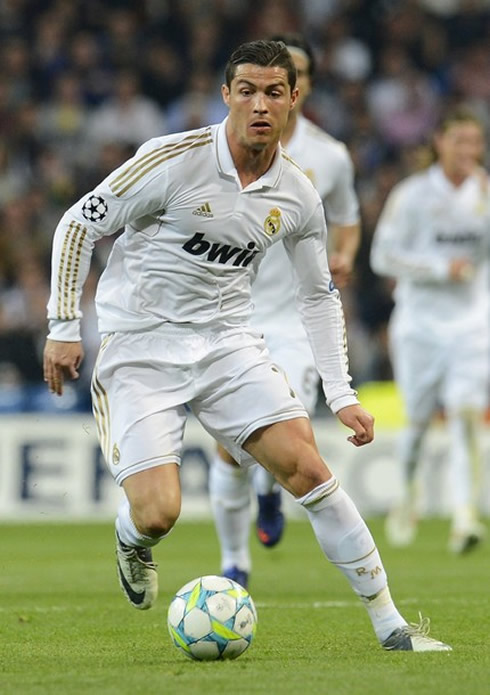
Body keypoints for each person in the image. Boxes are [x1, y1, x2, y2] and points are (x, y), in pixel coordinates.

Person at [43, 40, 450, 651]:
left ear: (293, 100)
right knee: (158, 514)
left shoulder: (298, 192)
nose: (261, 104)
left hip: (228, 344)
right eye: (248, 91)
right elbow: (78, 222)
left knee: (311, 469)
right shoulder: (171, 160)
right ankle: (132, 540)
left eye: (274, 92)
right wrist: (63, 326)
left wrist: (340, 394)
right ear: (227, 95)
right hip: (141, 348)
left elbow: (318, 295)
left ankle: (393, 626)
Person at [208, 33, 361, 589]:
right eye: (254, 87)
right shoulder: (221, 150)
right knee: (230, 452)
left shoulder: (329, 158)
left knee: (284, 433)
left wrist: (342, 255)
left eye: (282, 83)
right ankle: (235, 563)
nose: (265, 99)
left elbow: (346, 220)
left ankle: (270, 492)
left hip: (294, 320)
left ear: (300, 89)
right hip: (235, 316)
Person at [370, 108, 489, 553]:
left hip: (472, 324)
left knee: (464, 415)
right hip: (419, 324)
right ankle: (406, 494)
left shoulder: (486, 193)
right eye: (459, 140)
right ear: (439, 142)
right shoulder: (412, 196)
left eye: (474, 142)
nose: (468, 151)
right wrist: (440, 268)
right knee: (418, 423)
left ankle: (465, 517)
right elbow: (382, 258)